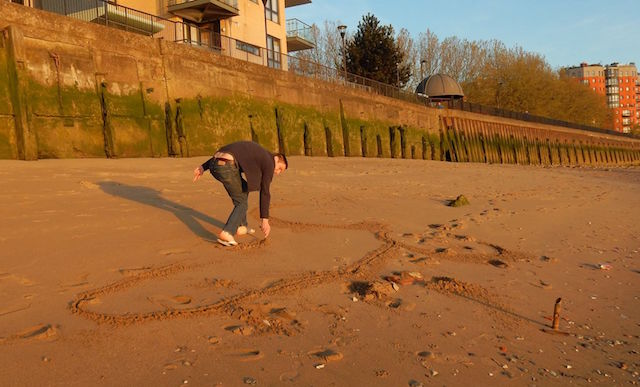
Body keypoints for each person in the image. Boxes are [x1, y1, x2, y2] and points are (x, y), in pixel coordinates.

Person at [193, 141, 288, 246]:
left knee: (244, 189)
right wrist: (265, 220)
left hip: (214, 164)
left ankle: (242, 226)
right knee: (241, 203)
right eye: (280, 168)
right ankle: (227, 232)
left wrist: (203, 167)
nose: (278, 172)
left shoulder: (261, 153)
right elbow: (265, 191)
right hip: (226, 167)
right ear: (276, 158)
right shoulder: (269, 162)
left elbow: (228, 153)